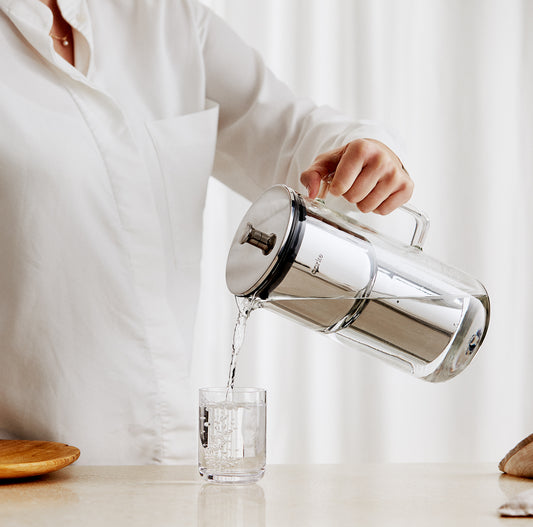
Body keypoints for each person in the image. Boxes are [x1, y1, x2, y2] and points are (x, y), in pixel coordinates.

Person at [0, 0, 413, 464]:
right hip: (23, 466)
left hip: (167, 463)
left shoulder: (168, 19)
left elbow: (293, 134)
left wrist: (364, 153)